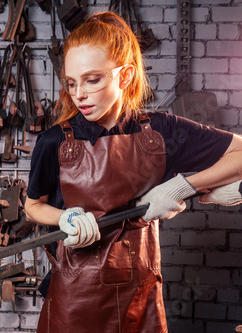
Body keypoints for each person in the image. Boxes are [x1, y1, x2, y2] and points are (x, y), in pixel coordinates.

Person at [24, 11, 242, 333]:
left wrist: (180, 187)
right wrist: (64, 218)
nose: (79, 94)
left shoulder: (160, 132)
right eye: (71, 83)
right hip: (75, 291)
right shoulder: (54, 141)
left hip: (139, 292)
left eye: (92, 79)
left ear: (124, 76)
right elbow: (32, 207)